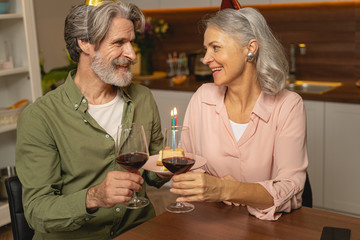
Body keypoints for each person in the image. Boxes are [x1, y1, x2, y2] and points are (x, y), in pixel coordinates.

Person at [15, 1, 167, 239]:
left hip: (138, 231)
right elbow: (37, 211)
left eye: (131, 43)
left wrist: (172, 164)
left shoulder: (142, 98)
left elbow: (153, 172)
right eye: (119, 43)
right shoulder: (40, 117)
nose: (132, 54)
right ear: (85, 43)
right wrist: (94, 197)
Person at [170, 7, 308, 221]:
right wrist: (206, 183)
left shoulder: (288, 105)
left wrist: (227, 189)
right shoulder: (202, 97)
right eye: (206, 49)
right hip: (209, 223)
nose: (206, 59)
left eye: (215, 47)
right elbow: (186, 168)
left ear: (250, 48)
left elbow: (291, 189)